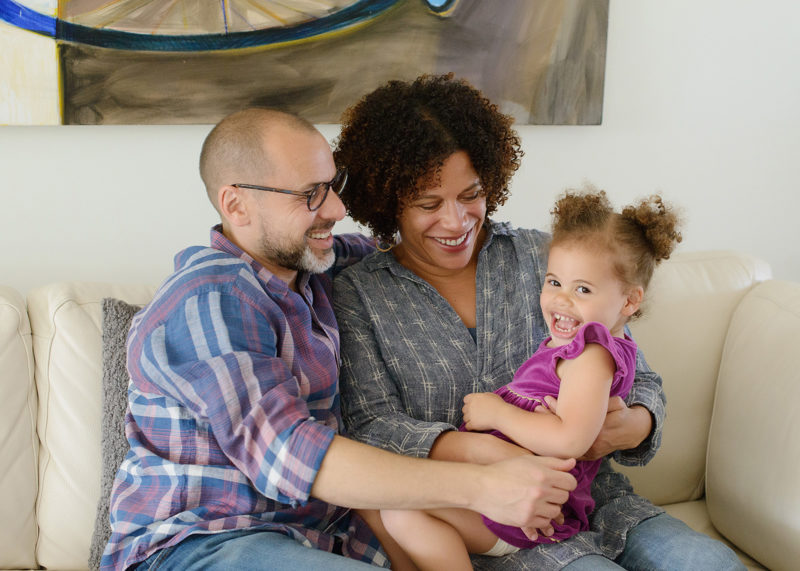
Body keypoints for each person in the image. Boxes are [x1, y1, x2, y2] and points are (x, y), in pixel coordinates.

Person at [101, 107, 579, 571]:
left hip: (321, 539)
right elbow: (293, 454)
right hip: (202, 544)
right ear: (236, 205)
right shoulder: (208, 301)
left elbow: (414, 252)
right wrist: (481, 485)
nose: (336, 208)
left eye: (333, 185)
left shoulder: (321, 267)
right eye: (309, 194)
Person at [332, 74, 745, 569]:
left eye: (471, 194)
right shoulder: (359, 293)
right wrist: (488, 457)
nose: (457, 220)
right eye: (428, 203)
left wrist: (632, 425)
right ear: (389, 200)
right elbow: (371, 424)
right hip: (481, 522)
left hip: (601, 504)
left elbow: (639, 374)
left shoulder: (545, 258)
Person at [377, 189, 683, 569]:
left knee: (400, 513)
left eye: (582, 289)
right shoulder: (577, 343)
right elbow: (374, 423)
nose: (561, 299)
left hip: (532, 504)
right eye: (553, 282)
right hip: (501, 489)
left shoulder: (591, 350)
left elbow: (571, 439)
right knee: (396, 512)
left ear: (629, 302)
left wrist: (498, 414)